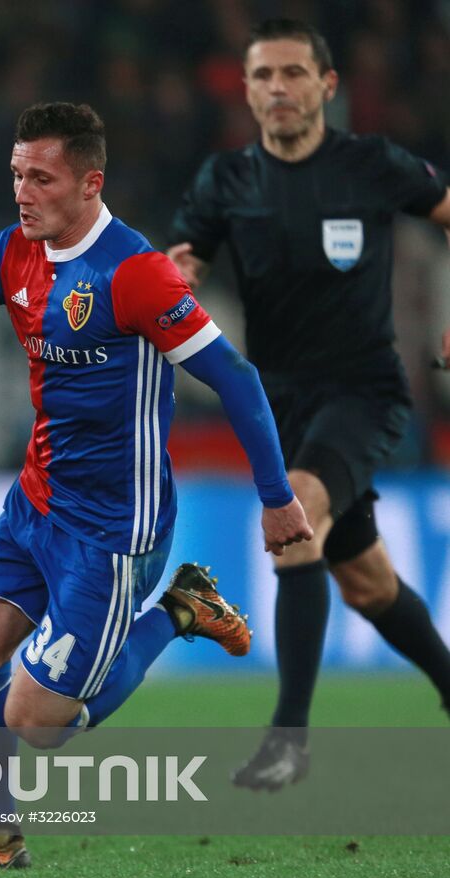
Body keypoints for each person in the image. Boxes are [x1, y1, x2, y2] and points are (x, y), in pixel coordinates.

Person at [0, 102, 312, 871]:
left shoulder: (137, 273)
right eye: (17, 174)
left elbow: (237, 379)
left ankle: (183, 607)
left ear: (90, 183)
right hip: (36, 502)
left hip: (114, 529)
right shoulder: (11, 253)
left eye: (42, 178)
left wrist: (277, 494)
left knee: (37, 720)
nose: (24, 191)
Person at [168, 18, 450, 790]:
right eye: (263, 76)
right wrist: (179, 267)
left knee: (294, 523)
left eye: (294, 74)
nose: (279, 89)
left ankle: (289, 739)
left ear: (328, 86)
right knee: (366, 582)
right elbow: (183, 252)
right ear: (248, 89)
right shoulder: (225, 180)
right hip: (279, 403)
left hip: (364, 392)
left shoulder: (371, 165)